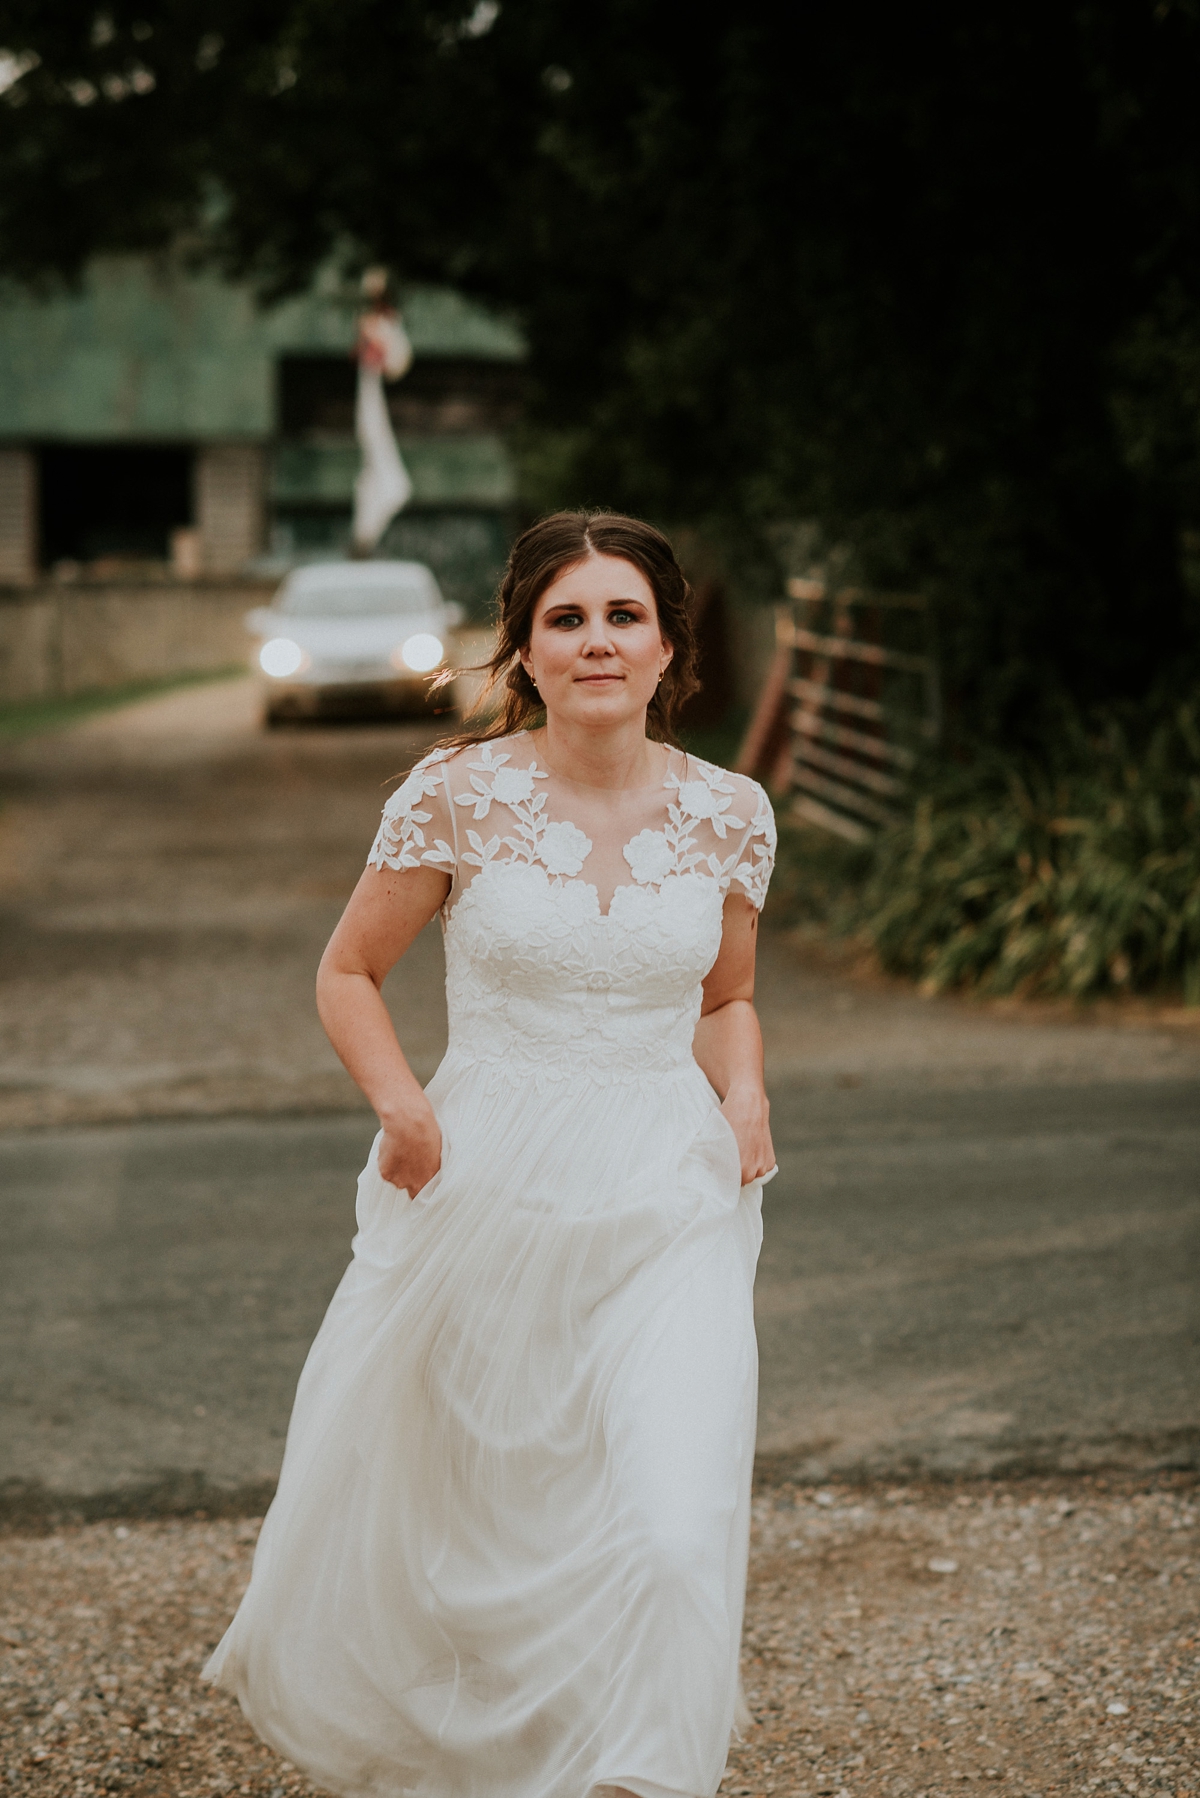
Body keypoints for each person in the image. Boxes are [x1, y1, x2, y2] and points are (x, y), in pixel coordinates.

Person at [204, 511, 778, 1798]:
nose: (596, 641)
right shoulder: (455, 795)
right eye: (566, 617)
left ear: (669, 640)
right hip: (490, 1182)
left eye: (623, 614)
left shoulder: (732, 815)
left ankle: (642, 1774)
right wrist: (404, 1105)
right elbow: (349, 970)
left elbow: (726, 996)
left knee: (677, 1526)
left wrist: (743, 1096)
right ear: (522, 643)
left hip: (670, 1194)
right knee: (501, 1515)